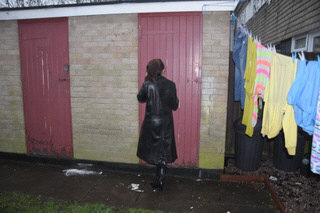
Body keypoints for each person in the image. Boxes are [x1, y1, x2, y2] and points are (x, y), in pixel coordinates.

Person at [137, 58, 179, 191]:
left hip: (151, 123)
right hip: (165, 124)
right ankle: (159, 179)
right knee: (162, 151)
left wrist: (145, 82)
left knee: (154, 150)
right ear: (163, 70)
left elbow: (140, 98)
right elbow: (175, 106)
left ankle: (159, 180)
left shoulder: (148, 84)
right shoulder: (171, 85)